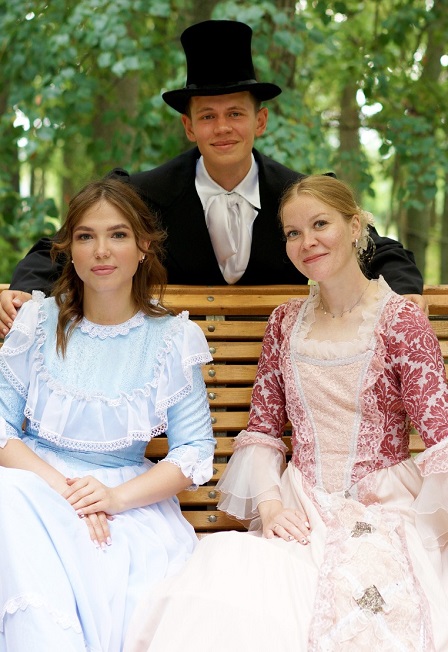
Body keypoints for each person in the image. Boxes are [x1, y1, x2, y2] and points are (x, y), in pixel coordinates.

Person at [124, 174, 448, 652]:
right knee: (233, 571)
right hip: (300, 503)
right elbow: (263, 428)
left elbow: (441, 434)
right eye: (293, 233)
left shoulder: (400, 320)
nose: (306, 242)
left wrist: (414, 514)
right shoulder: (285, 322)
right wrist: (272, 506)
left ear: (355, 226)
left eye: (320, 224)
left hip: (380, 505)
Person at [0, 20, 426, 338]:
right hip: (167, 366)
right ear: (189, 127)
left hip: (277, 367)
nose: (222, 128)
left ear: (260, 121)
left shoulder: (300, 196)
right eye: (207, 116)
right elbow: (60, 249)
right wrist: (23, 291)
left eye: (235, 113)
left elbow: (375, 247)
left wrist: (405, 294)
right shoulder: (142, 194)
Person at [0, 178, 215, 651]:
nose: (101, 250)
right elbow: (1, 426)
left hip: (125, 502)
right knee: (5, 497)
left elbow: (194, 452)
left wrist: (112, 499)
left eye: (118, 234)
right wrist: (66, 492)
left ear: (143, 246)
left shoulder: (172, 339)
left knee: (102, 559)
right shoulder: (36, 322)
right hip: (35, 484)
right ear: (69, 250)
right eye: (86, 236)